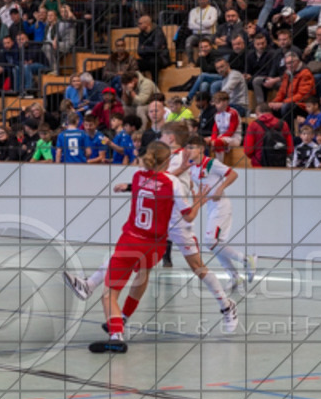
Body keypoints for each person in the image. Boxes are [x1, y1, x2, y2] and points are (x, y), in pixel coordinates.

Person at [72, 142, 190, 353]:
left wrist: (126, 186)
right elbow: (188, 214)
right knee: (142, 274)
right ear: (167, 161)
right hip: (156, 245)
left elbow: (145, 184)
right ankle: (123, 315)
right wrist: (200, 200)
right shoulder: (173, 183)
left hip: (131, 240)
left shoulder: (137, 177)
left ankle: (116, 334)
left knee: (110, 294)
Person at [186, 135, 257, 291]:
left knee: (211, 242)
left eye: (192, 148)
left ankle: (246, 260)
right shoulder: (192, 168)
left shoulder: (211, 163)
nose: (188, 151)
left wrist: (220, 188)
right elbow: (202, 189)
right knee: (216, 245)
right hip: (211, 207)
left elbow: (233, 174)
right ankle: (235, 277)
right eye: (187, 148)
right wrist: (198, 201)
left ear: (201, 149)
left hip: (221, 207)